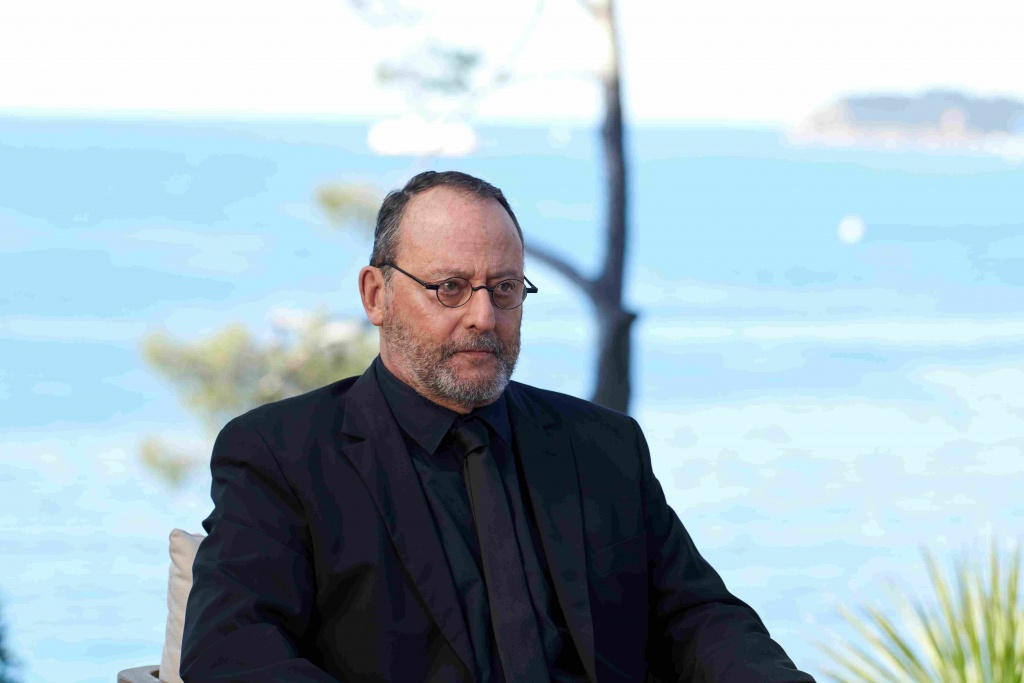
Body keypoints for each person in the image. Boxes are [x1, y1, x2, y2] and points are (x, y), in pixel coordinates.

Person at [180, 170, 816, 683]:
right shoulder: (282, 454)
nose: (484, 316)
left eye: (505, 288)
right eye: (450, 288)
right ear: (376, 295)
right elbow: (232, 652)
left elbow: (698, 618)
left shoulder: (602, 446)